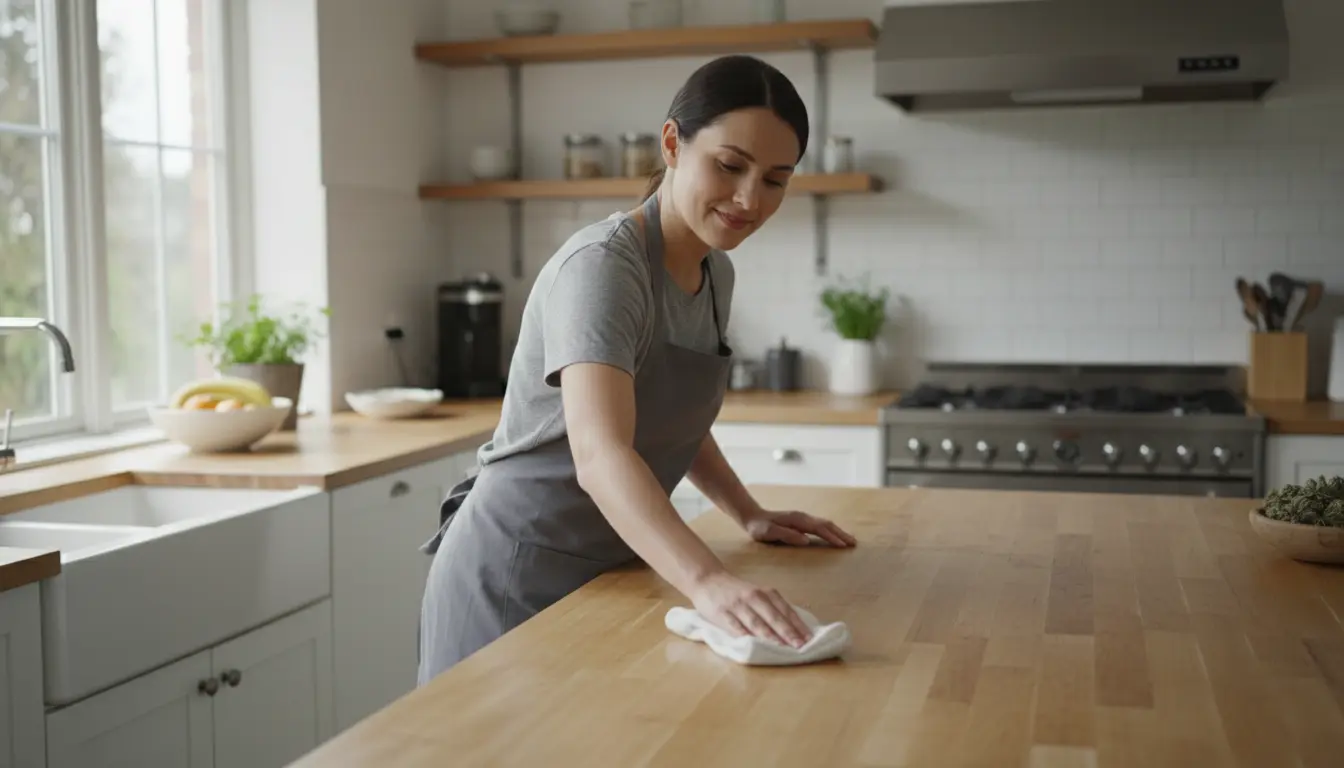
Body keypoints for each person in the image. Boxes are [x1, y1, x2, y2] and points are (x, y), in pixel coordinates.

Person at [417, 54, 857, 683]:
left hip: (610, 568)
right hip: (515, 573)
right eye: (730, 166)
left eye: (775, 180)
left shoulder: (713, 273)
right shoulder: (604, 268)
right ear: (673, 143)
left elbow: (667, 413)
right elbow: (601, 454)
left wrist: (747, 511)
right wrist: (708, 581)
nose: (748, 199)